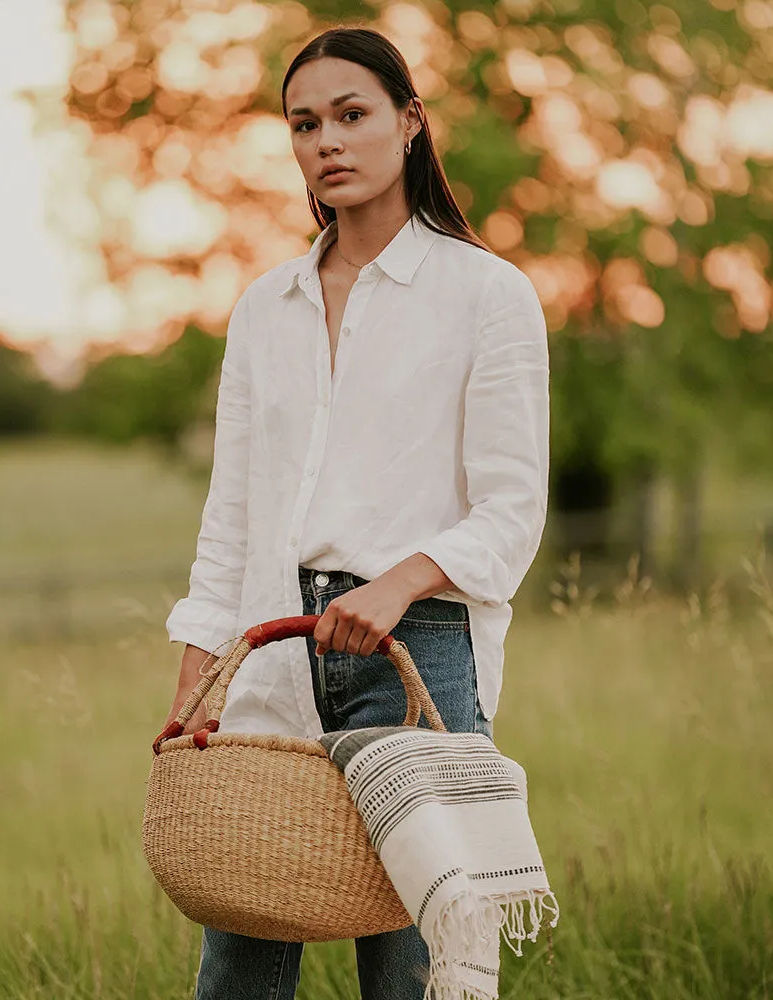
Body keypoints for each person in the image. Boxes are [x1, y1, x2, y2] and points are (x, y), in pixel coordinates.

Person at [161, 25, 550, 1000]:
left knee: (415, 974)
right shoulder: (264, 308)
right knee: (237, 971)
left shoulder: (485, 295)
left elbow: (510, 509)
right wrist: (192, 685)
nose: (325, 141)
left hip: (413, 654)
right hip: (273, 650)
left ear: (410, 123)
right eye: (303, 124)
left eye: (351, 114)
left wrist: (397, 582)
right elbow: (231, 516)